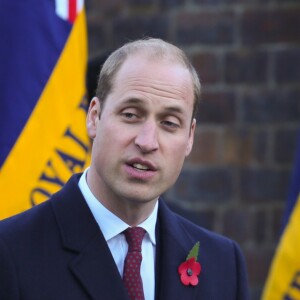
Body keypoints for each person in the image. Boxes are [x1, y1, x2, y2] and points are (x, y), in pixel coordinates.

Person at [0, 38, 249, 300]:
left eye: (169, 122)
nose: (147, 142)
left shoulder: (223, 265)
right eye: (131, 115)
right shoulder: (11, 253)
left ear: (190, 137)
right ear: (94, 116)